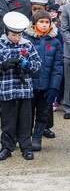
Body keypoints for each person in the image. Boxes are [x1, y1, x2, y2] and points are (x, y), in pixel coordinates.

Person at [0, 12, 41, 160]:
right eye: (13, 35)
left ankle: (26, 147)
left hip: (25, 90)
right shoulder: (1, 44)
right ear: (6, 31)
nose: (16, 38)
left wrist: (27, 65)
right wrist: (3, 66)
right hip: (7, 89)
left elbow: (38, 65)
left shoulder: (27, 45)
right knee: (7, 121)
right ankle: (7, 146)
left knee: (25, 120)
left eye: (19, 35)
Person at [23, 10, 63, 151]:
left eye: (47, 22)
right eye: (41, 22)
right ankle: (25, 137)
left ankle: (37, 138)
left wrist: (54, 87)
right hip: (29, 85)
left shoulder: (55, 42)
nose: (44, 25)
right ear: (34, 23)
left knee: (43, 113)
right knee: (27, 114)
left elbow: (57, 67)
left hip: (46, 86)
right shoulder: (26, 40)